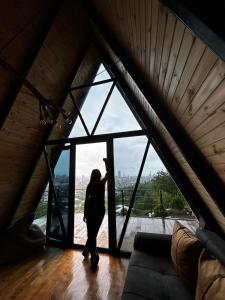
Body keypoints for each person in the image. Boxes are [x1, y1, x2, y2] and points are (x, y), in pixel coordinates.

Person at [82, 158, 108, 268]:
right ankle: (91, 253)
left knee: (91, 234)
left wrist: (84, 213)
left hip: (91, 211)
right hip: (100, 211)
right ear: (99, 175)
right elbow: (108, 174)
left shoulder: (89, 186)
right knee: (93, 234)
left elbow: (86, 201)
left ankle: (92, 253)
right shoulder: (101, 184)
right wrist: (107, 164)